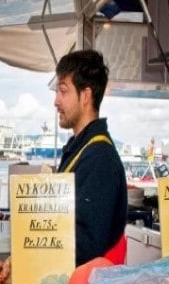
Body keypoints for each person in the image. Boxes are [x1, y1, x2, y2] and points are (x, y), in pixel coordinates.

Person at [54, 49, 127, 267]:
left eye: (63, 91)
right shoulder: (81, 149)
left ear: (85, 96)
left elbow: (87, 245)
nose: (56, 101)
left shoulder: (99, 159)